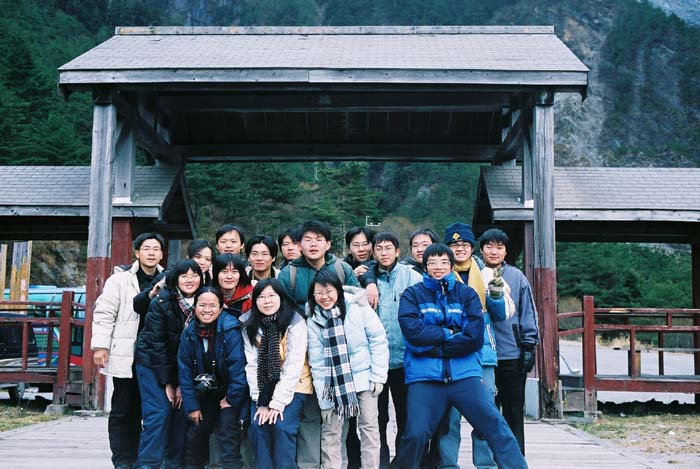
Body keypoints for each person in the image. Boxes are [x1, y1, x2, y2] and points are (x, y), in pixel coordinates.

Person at [393, 243, 527, 469]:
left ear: (451, 266)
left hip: (464, 375)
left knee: (495, 425)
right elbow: (414, 335)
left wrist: (435, 344)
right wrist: (450, 333)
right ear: (425, 267)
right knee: (415, 434)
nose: (438, 267)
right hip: (425, 377)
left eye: (444, 262)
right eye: (432, 262)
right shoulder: (412, 295)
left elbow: (474, 338)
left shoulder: (467, 294)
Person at [277, 220, 360, 469]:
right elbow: (282, 312)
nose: (313, 245)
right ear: (299, 244)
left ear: (328, 244)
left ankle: (337, 464)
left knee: (338, 413)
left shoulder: (342, 269)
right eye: (308, 240)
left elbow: (356, 304)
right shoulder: (289, 274)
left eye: (319, 239)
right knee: (310, 414)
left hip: (339, 352)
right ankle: (309, 464)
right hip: (303, 352)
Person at [91, 232, 165, 469]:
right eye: (146, 248)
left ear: (162, 254)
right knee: (124, 410)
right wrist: (100, 346)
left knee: (152, 410)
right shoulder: (120, 280)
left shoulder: (167, 279)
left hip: (154, 357)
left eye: (156, 249)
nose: (151, 253)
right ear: (137, 252)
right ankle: (123, 460)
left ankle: (144, 460)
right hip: (127, 354)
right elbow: (104, 313)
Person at [443, 222, 512, 469]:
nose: (460, 249)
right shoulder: (440, 273)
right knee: (449, 418)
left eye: (464, 244)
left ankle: (485, 465)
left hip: (483, 353)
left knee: (485, 414)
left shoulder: (487, 274)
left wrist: (496, 296)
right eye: (454, 244)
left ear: (472, 248)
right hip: (451, 354)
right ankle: (448, 465)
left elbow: (501, 315)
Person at [306, 269, 389, 469]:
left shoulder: (357, 306)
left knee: (369, 427)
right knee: (331, 431)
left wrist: (378, 376)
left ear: (338, 290)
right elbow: (317, 363)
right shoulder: (314, 319)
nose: (324, 297)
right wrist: (325, 402)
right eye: (319, 293)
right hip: (334, 382)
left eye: (329, 291)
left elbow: (378, 339)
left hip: (364, 377)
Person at [134, 259, 204, 469]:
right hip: (152, 363)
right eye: (184, 276)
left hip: (184, 368)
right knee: (159, 412)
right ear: (175, 279)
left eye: (194, 275)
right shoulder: (161, 301)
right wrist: (169, 383)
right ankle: (147, 464)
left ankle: (173, 464)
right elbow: (156, 345)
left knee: (183, 412)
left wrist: (183, 384)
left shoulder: (205, 303)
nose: (190, 280)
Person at [480, 228, 539, 456]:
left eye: (499, 247)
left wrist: (529, 346)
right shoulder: (475, 274)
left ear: (506, 251)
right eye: (489, 246)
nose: (494, 252)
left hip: (511, 354)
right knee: (487, 412)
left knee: (513, 411)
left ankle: (515, 458)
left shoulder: (516, 276)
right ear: (481, 249)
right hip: (485, 357)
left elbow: (528, 312)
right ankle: (490, 460)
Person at [241, 279, 310, 469]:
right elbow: (252, 365)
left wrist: (277, 403)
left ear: (281, 297)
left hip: (295, 384)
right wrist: (261, 401)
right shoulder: (249, 324)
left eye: (272, 296)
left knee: (281, 426)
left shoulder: (295, 321)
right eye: (261, 297)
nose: (267, 301)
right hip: (263, 384)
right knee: (257, 425)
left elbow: (294, 365)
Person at [178, 286, 248, 469]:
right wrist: (192, 406)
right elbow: (185, 372)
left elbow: (238, 369)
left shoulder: (230, 329)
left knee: (228, 430)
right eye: (202, 305)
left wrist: (231, 399)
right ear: (195, 307)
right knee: (195, 433)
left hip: (229, 392)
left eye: (212, 305)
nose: (207, 310)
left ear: (221, 307)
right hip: (204, 391)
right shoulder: (189, 333)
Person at [370, 231, 422, 468]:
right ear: (373, 252)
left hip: (405, 359)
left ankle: (402, 462)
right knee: (378, 417)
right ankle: (381, 461)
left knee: (406, 416)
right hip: (376, 363)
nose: (384, 253)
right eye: (379, 248)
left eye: (388, 248)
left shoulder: (412, 277)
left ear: (398, 251)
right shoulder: (367, 279)